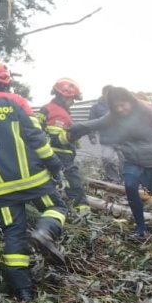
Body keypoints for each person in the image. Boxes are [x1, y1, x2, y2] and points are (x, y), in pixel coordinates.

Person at [0, 58, 68, 301]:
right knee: (57, 207)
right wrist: (54, 165)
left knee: (13, 233)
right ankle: (44, 233)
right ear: (5, 80)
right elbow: (37, 138)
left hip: (1, 190)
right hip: (34, 180)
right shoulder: (15, 102)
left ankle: (24, 291)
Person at [70, 86, 152, 238]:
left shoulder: (144, 111)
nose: (120, 109)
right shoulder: (113, 116)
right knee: (130, 187)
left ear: (130, 101)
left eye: (122, 104)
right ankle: (141, 228)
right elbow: (96, 123)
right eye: (116, 106)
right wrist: (77, 127)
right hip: (133, 160)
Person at [38, 78, 90, 215]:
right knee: (73, 180)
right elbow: (57, 139)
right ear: (64, 96)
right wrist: (74, 135)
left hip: (46, 152)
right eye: (72, 99)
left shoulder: (48, 108)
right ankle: (82, 211)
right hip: (59, 154)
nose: (73, 102)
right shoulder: (58, 112)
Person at [88, 86, 121, 182]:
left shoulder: (119, 104)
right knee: (107, 159)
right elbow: (91, 121)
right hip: (106, 140)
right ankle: (114, 179)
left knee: (126, 161)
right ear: (103, 94)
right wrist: (92, 136)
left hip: (122, 139)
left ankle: (126, 180)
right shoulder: (96, 107)